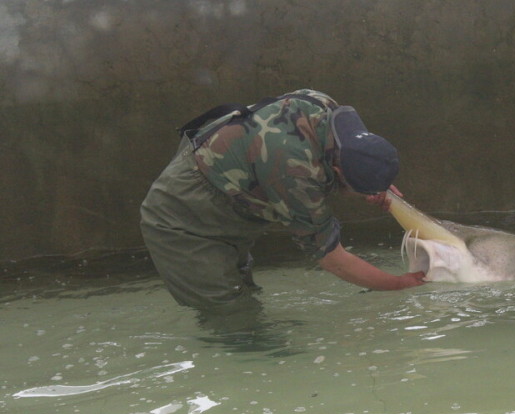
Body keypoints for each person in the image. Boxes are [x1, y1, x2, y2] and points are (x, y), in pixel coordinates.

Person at [139, 89, 425, 320]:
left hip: (227, 191)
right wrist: (399, 284)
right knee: (230, 316)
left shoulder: (325, 108)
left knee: (245, 296)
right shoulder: (294, 173)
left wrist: (373, 182)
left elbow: (353, 157)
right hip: (183, 218)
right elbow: (333, 259)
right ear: (338, 171)